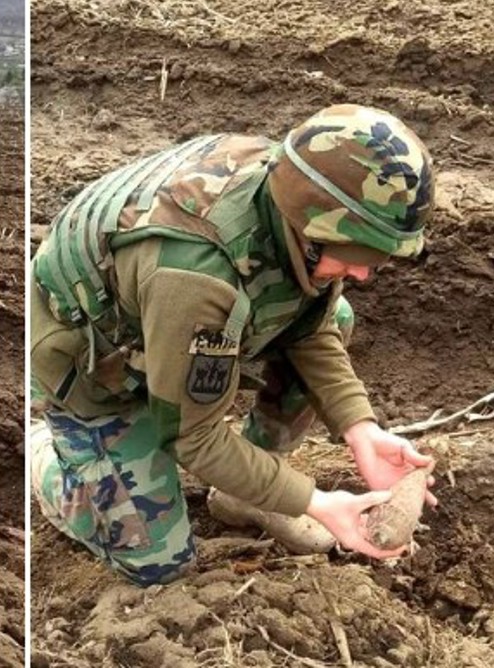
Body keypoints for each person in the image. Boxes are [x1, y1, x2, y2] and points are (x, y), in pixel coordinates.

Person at [28, 103, 437, 586]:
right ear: (308, 222)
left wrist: (360, 429)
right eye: (354, 254)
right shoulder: (196, 276)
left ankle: (248, 493)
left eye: (376, 258)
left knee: (340, 315)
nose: (364, 272)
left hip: (165, 330)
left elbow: (312, 324)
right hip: (94, 368)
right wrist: (318, 503)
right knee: (161, 564)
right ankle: (48, 454)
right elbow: (192, 438)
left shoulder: (290, 200)